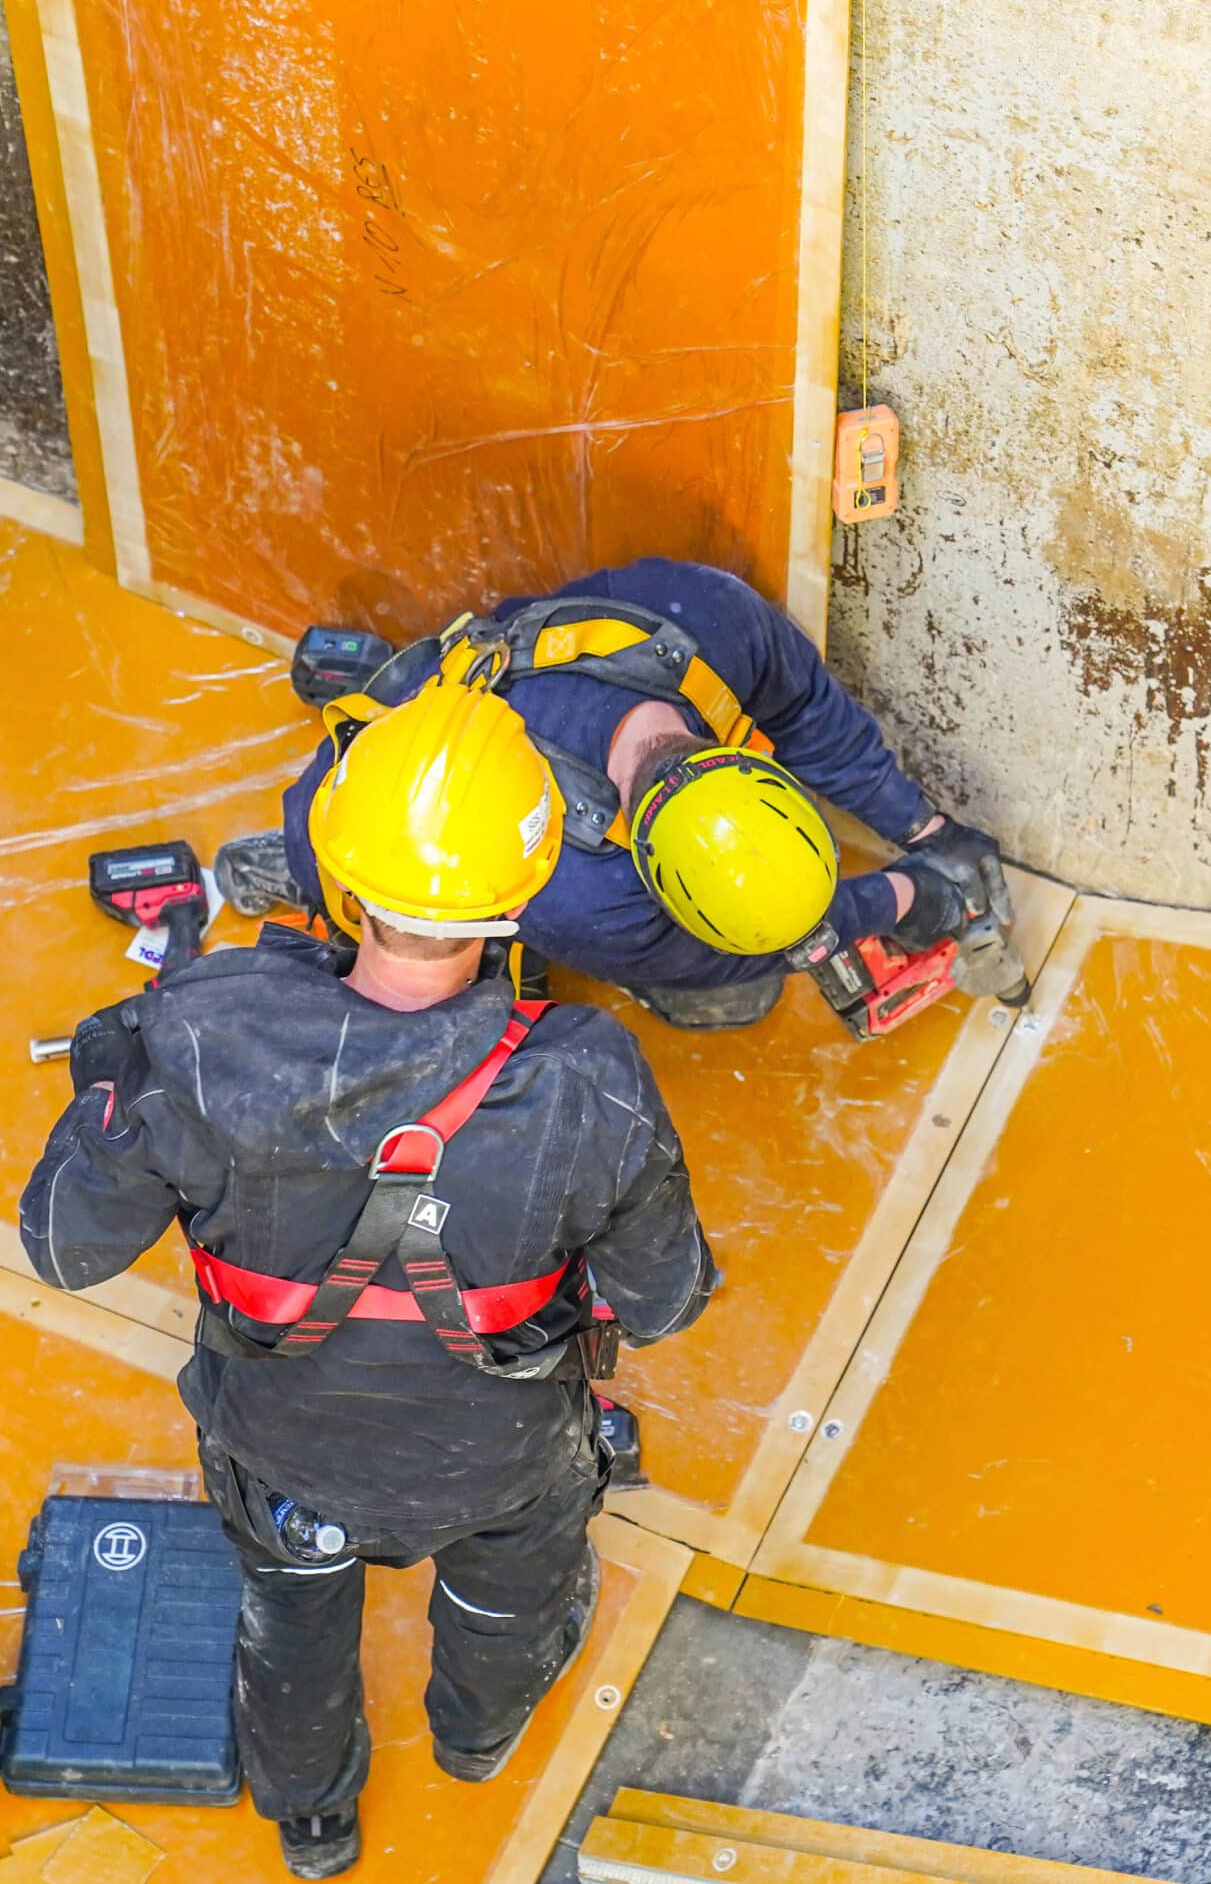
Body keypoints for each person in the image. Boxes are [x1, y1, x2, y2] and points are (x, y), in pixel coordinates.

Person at [17, 659, 718, 1879]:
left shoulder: (201, 1034)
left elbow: (64, 1247)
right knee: (507, 1613)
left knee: (291, 1626)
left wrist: (125, 1084)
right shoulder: (586, 1076)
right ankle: (474, 1741)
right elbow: (661, 1301)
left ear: (340, 872)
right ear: (523, 890)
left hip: (286, 1451)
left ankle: (312, 1820)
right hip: (501, 1464)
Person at [216, 557, 1010, 1030]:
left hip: (439, 714)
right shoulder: (590, 897)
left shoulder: (706, 621)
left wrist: (924, 828)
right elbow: (758, 948)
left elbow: (808, 711)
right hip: (356, 831)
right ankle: (317, 883)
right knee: (730, 1000)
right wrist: (915, 899)